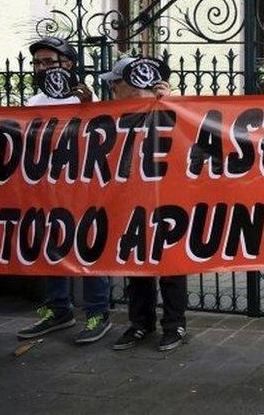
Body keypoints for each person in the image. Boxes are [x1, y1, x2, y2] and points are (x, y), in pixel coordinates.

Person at [2, 37, 114, 344]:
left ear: (68, 64)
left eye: (49, 62)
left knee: (89, 250)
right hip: (48, 193)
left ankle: (97, 312)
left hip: (86, 191)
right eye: (37, 63)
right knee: (53, 250)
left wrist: (90, 106)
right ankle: (59, 309)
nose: (42, 68)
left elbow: (109, 138)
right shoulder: (34, 104)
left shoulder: (87, 99)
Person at [100, 57, 188, 352]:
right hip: (130, 196)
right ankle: (141, 323)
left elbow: (193, 141)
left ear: (129, 82)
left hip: (168, 196)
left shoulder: (170, 107)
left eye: (115, 82)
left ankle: (174, 324)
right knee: (136, 263)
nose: (111, 87)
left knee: (171, 264)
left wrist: (170, 103)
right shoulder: (112, 113)